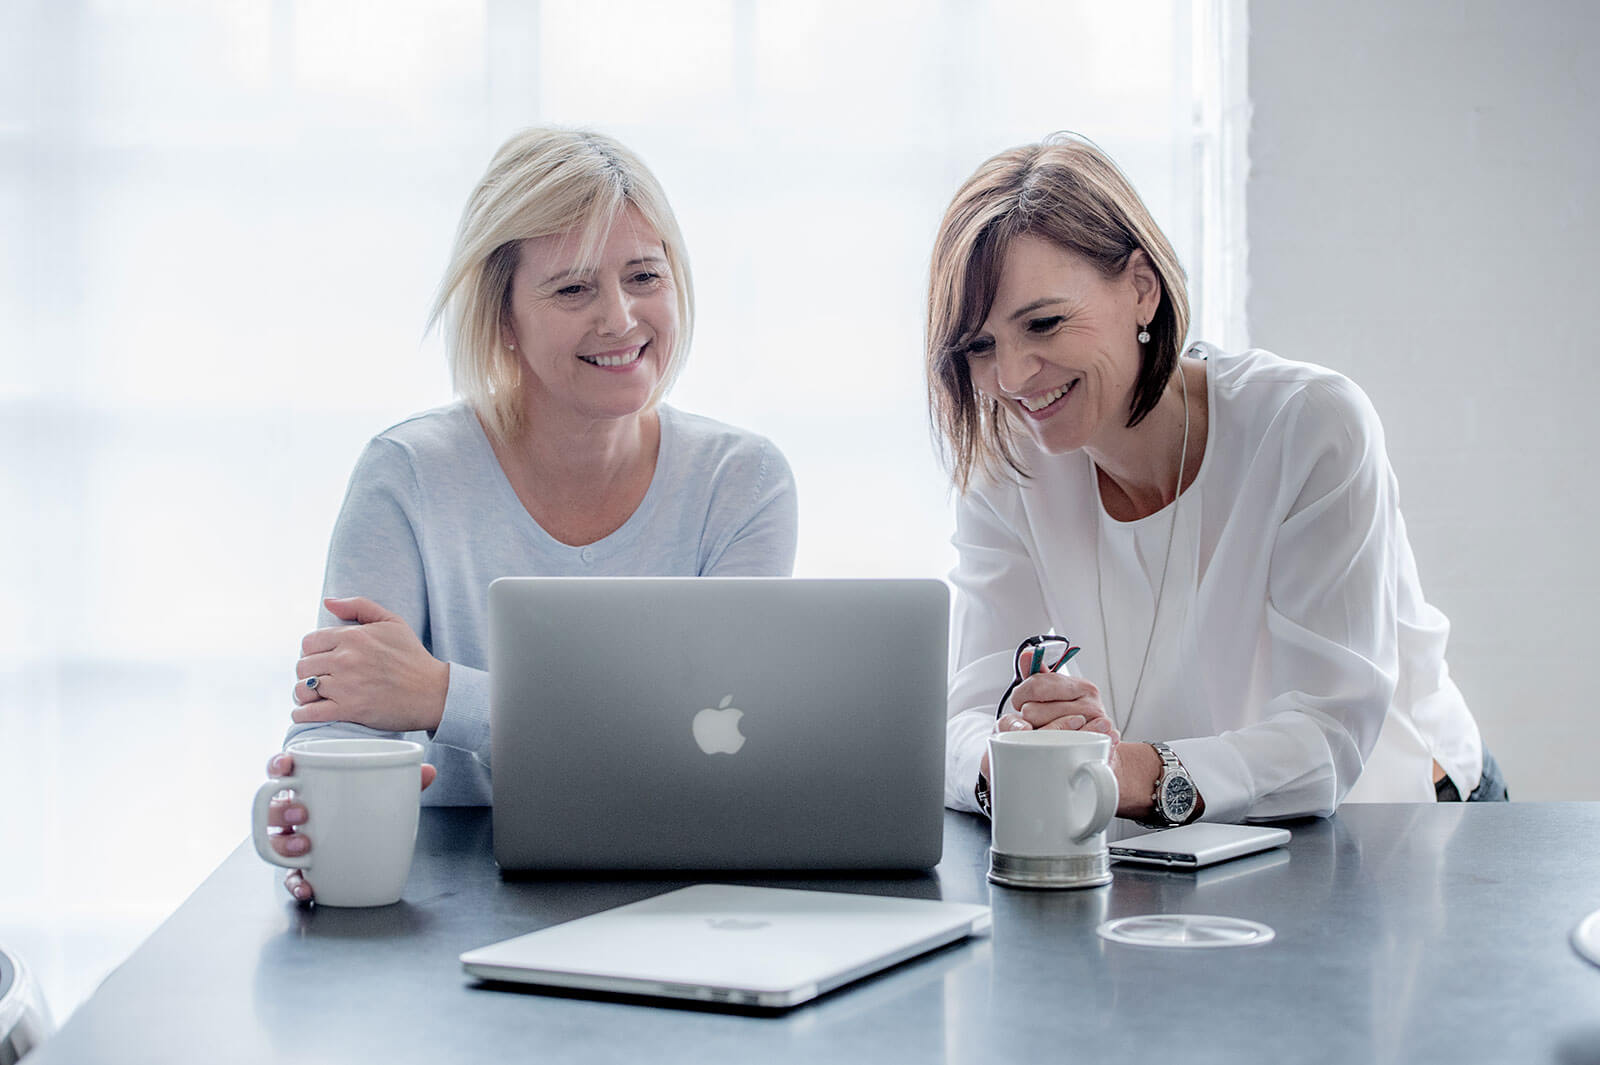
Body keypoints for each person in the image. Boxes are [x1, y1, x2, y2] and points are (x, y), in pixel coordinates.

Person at [262, 128, 799, 900]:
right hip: (446, 891)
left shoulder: (742, 483)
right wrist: (317, 816)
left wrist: (446, 695)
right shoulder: (407, 475)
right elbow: (344, 711)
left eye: (644, 275)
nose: (620, 318)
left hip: (677, 888)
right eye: (573, 289)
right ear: (503, 316)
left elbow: (703, 752)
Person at [924, 134, 1504, 835]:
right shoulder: (1005, 462)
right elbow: (963, 717)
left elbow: (1324, 739)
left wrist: (1121, 771)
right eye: (980, 347)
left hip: (1401, 825)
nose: (1012, 377)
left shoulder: (1308, 427)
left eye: (1043, 322)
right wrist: (1010, 750)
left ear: (1141, 287)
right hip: (1187, 840)